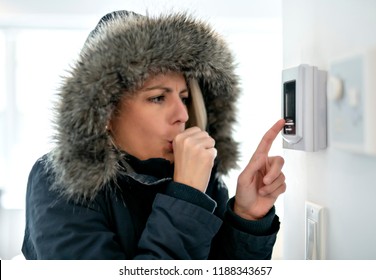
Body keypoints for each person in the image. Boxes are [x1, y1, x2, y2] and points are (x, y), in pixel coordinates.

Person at [21, 10, 286, 260]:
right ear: (104, 112)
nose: (182, 114)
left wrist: (246, 217)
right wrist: (186, 197)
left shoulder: (204, 177)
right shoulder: (59, 180)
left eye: (184, 97)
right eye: (157, 98)